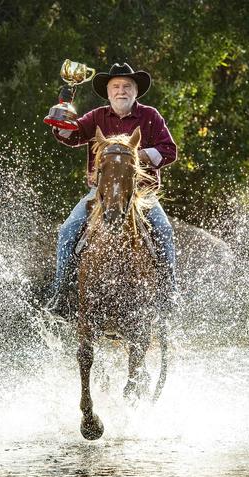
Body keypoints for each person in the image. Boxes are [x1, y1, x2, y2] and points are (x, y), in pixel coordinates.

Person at [48, 62, 178, 314]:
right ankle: (60, 294)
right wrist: (61, 116)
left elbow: (169, 150)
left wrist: (132, 156)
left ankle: (168, 293)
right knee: (67, 230)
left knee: (164, 229)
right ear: (108, 93)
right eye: (116, 87)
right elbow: (70, 136)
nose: (121, 91)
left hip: (143, 193)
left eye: (127, 86)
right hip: (100, 194)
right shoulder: (96, 117)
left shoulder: (151, 116)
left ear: (135, 92)